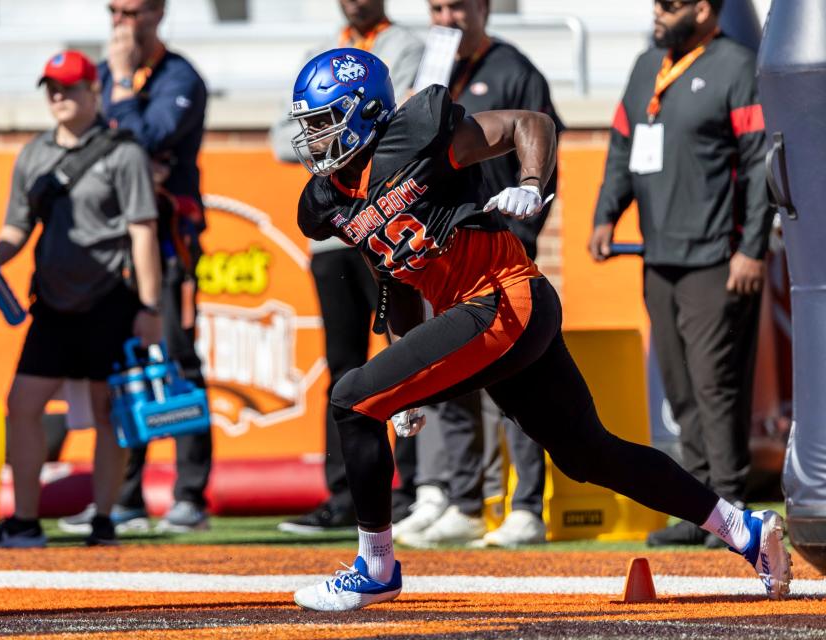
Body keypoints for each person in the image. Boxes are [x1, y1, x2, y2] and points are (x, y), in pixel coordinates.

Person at [285, 47, 790, 612]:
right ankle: (744, 529)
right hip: (498, 315)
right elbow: (397, 271)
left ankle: (376, 568)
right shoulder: (329, 201)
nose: (314, 140)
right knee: (587, 454)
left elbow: (531, 122)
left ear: (367, 111)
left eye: (324, 123)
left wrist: (530, 180)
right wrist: (404, 367)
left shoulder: (420, 135)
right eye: (309, 126)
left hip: (501, 300)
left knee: (351, 401)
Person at [589, 0, 772, 548]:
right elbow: (622, 146)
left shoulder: (736, 66)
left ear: (702, 9)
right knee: (681, 387)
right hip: (659, 255)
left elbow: (761, 160)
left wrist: (753, 249)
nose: (658, 14)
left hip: (718, 255)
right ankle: (700, 510)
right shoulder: (648, 66)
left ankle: (732, 503)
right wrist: (605, 213)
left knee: (716, 383)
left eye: (669, 6)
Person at [0, 50, 163, 548]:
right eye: (51, 87)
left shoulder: (124, 151)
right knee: (22, 404)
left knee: (106, 412)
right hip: (51, 302)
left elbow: (142, 233)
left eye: (69, 87)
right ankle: (25, 521)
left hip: (109, 301)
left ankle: (103, 518)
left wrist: (150, 308)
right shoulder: (33, 154)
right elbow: (17, 225)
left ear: (93, 91)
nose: (58, 95)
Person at [396, 0, 564, 549]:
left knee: (512, 382)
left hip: (503, 244)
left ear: (484, 9)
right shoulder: (430, 73)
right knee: (452, 375)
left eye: (460, 6)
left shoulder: (513, 68)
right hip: (444, 253)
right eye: (439, 7)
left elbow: (540, 139)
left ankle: (525, 507)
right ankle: (463, 501)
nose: (449, 18)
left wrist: (531, 197)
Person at [269, 0, 426, 534]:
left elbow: (400, 119)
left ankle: (416, 484)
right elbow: (280, 135)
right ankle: (347, 491)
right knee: (343, 365)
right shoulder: (319, 52)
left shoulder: (403, 45)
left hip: (385, 216)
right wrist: (331, 131)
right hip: (338, 228)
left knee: (405, 350)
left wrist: (343, 130)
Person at [58, 0, 212, 535]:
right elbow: (86, 148)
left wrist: (122, 87)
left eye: (135, 10)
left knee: (178, 360)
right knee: (123, 370)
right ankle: (123, 498)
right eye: (115, 10)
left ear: (159, 12)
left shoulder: (179, 75)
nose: (123, 21)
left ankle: (190, 498)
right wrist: (131, 152)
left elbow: (146, 139)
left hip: (170, 243)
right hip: (114, 247)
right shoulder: (97, 76)